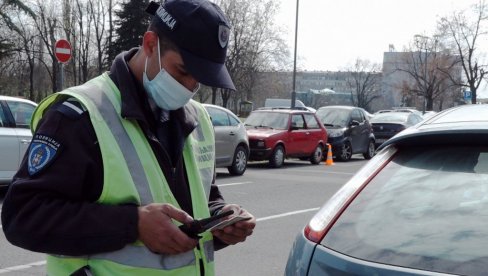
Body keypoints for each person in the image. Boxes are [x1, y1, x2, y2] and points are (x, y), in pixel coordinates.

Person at [1, 0, 256, 275]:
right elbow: (23, 218)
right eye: (182, 71)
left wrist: (221, 217)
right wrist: (132, 224)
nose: (190, 87)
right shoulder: (82, 115)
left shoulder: (197, 118)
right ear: (150, 44)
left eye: (200, 79)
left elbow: (201, 198)